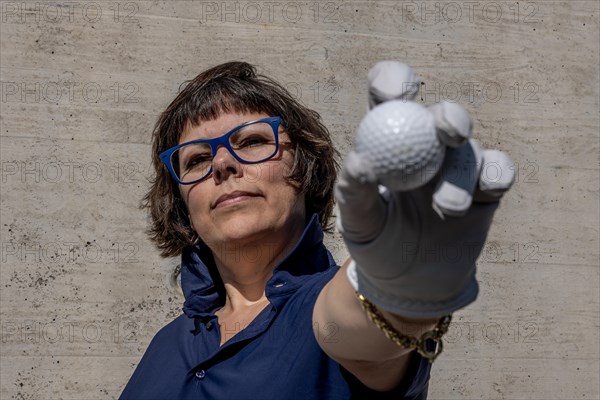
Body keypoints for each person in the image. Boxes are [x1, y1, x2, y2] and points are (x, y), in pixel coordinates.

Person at [120, 61, 513, 400]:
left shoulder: (324, 308)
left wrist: (397, 276)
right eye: (197, 159)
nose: (222, 162)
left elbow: (354, 323)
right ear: (182, 204)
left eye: (253, 141)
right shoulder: (166, 345)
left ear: (304, 168)